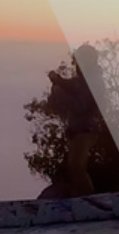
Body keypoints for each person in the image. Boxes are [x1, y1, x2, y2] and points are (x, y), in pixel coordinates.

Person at [44, 43, 105, 197]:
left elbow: (80, 106)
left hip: (85, 128)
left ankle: (87, 198)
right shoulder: (86, 79)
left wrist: (59, 93)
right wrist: (58, 80)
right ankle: (81, 196)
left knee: (77, 167)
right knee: (74, 167)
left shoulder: (92, 80)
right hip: (80, 128)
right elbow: (72, 85)